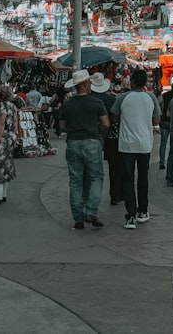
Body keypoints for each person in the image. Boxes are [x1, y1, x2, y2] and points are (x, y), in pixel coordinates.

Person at [60, 69, 109, 229]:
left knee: (75, 181)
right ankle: (91, 210)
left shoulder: (68, 104)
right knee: (96, 177)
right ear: (86, 84)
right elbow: (106, 123)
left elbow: (62, 126)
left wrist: (73, 130)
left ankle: (78, 218)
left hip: (73, 142)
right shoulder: (96, 102)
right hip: (92, 142)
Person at [111, 68, 159, 229]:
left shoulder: (123, 97)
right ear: (145, 82)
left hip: (126, 144)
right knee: (143, 178)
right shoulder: (151, 98)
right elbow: (156, 120)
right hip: (145, 144)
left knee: (128, 179)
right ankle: (143, 211)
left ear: (131, 82)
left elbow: (114, 117)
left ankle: (130, 215)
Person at [91, 72, 124, 206]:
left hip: (92, 135)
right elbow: (115, 117)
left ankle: (91, 199)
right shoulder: (111, 99)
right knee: (114, 168)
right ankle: (115, 195)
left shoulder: (88, 98)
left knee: (92, 170)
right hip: (110, 136)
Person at [158, 80, 173, 170]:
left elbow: (158, 105)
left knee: (163, 143)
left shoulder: (164, 96)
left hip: (163, 121)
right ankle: (172, 160)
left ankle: (162, 161)